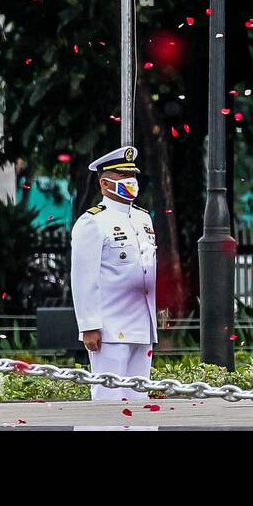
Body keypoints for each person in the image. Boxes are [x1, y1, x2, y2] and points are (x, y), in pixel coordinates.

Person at [70, 145, 158, 402]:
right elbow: (84, 277)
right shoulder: (92, 221)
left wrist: (157, 311)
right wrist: (89, 326)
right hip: (110, 327)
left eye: (133, 176)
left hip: (143, 324)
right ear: (105, 183)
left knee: (139, 400)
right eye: (122, 176)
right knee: (107, 399)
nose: (131, 182)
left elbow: (147, 269)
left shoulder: (143, 219)